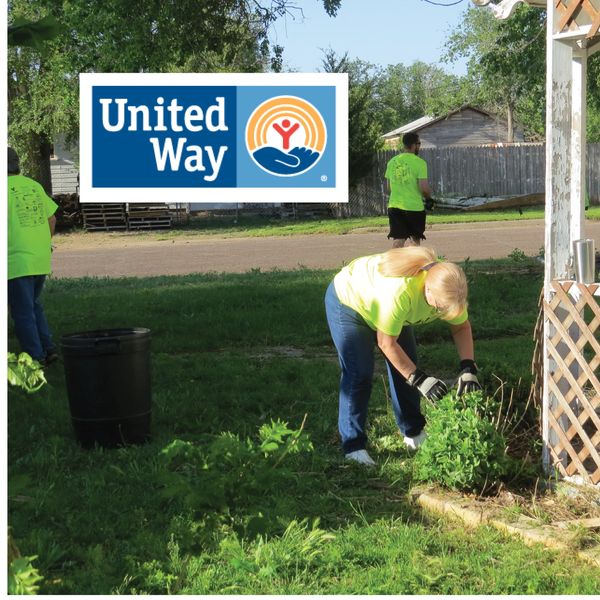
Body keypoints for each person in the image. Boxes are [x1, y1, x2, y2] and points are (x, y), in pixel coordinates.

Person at [324, 246, 481, 467]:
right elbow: (386, 343)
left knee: (407, 367)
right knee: (359, 373)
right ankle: (353, 446)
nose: (444, 313)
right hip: (350, 302)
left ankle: (413, 433)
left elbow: (461, 328)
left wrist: (468, 369)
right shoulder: (400, 293)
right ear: (427, 290)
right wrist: (420, 379)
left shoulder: (450, 289)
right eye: (440, 308)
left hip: (388, 309)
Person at [8, 146, 59, 366]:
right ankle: (48, 348)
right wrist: (43, 243)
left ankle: (35, 357)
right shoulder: (33, 186)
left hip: (15, 261)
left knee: (22, 312)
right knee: (33, 305)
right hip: (39, 259)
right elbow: (52, 219)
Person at [384, 132, 434, 248]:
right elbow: (424, 188)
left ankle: (393, 264)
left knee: (398, 240)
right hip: (414, 208)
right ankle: (414, 265)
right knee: (415, 240)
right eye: (419, 143)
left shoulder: (392, 162)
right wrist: (429, 199)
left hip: (395, 207)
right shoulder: (420, 163)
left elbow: (389, 187)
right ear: (414, 145)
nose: (419, 146)